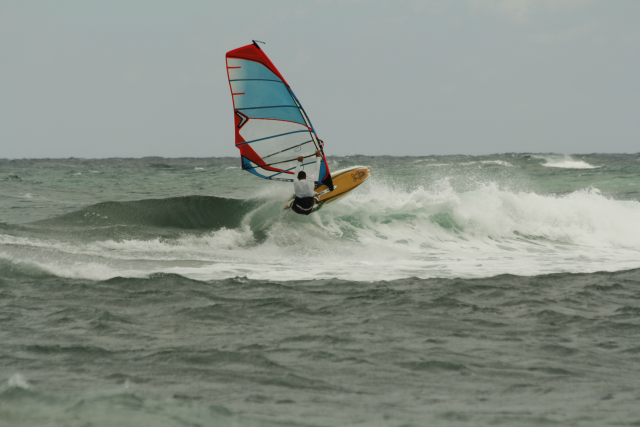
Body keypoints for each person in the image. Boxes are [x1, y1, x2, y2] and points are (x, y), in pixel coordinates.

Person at [291, 150, 322, 215]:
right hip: (308, 210)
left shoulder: (296, 182)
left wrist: (299, 162)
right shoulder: (310, 180)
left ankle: (290, 204)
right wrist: (318, 156)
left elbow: (296, 172)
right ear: (305, 176)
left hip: (297, 209)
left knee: (295, 200)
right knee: (316, 195)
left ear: (298, 178)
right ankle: (316, 200)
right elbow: (317, 168)